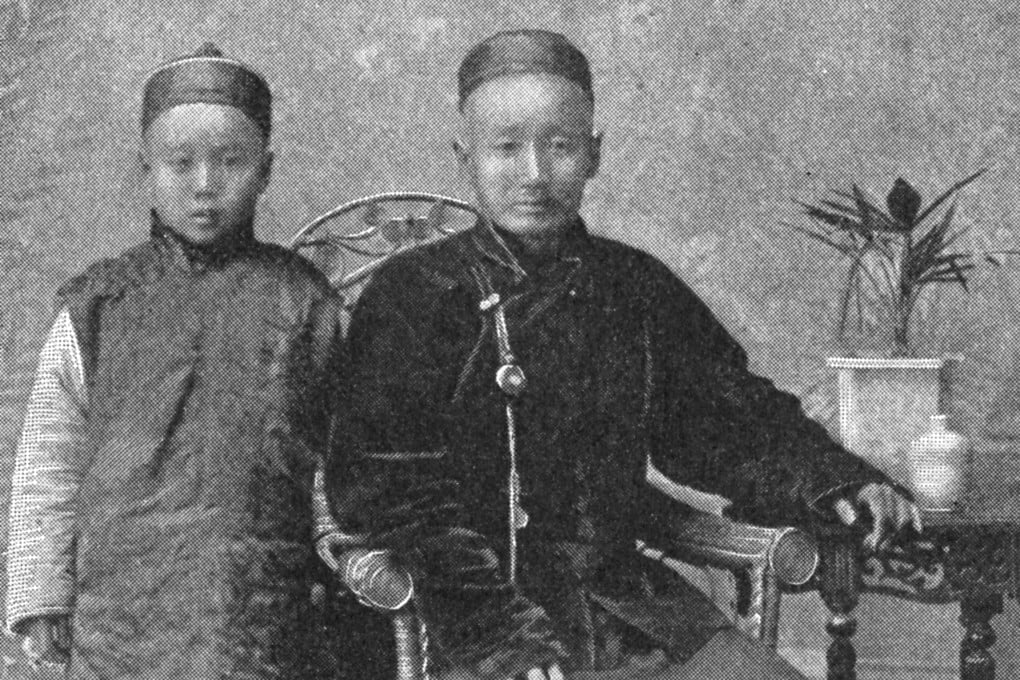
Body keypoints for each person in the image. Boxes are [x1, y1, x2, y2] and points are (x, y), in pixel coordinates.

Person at [326, 29, 920, 680]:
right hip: (466, 621)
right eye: (505, 148)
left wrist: (837, 477)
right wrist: (501, 638)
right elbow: (389, 491)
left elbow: (727, 421)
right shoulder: (412, 295)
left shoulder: (633, 286)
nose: (533, 174)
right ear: (463, 158)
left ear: (595, 154)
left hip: (624, 607)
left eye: (559, 146)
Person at [5, 44, 345, 680]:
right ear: (145, 169)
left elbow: (334, 449)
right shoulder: (98, 302)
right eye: (181, 163)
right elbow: (51, 459)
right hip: (121, 610)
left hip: (255, 604)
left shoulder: (303, 299)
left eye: (230, 162)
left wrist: (347, 552)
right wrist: (41, 596)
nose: (205, 185)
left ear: (266, 170)